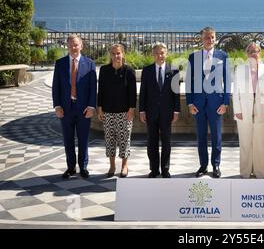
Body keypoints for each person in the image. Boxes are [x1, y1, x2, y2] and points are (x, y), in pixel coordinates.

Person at [186, 27, 230, 178]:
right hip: (198, 105)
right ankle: (203, 165)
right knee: (201, 136)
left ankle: (216, 165)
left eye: (212, 37)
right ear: (202, 39)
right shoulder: (193, 57)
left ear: (215, 38)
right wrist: (190, 103)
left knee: (216, 136)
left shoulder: (223, 56)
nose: (209, 40)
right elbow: (189, 82)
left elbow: (227, 80)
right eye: (206, 37)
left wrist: (225, 103)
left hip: (216, 104)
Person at [52, 34, 97, 179]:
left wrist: (91, 106)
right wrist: (57, 106)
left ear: (81, 46)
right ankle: (71, 168)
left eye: (76, 44)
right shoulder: (60, 63)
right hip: (66, 108)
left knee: (83, 139)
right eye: (71, 44)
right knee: (68, 140)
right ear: (67, 46)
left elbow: (92, 87)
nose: (73, 47)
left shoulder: (90, 63)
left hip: (83, 109)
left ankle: (83, 167)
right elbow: (56, 87)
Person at [233, 43, 264, 178]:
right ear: (246, 54)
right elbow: (235, 93)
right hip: (243, 111)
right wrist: (237, 110)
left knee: (259, 143)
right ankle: (245, 172)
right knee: (244, 143)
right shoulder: (240, 69)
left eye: (256, 51)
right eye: (250, 51)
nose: (253, 53)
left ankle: (260, 171)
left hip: (262, 111)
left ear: (260, 53)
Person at [140, 42, 180, 178]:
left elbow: (176, 93)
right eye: (157, 53)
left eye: (162, 53)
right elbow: (143, 92)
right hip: (151, 112)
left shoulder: (174, 71)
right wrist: (142, 111)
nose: (159, 56)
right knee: (152, 142)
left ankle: (165, 169)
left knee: (166, 141)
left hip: (167, 112)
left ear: (166, 54)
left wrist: (176, 111)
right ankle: (154, 169)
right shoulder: (147, 70)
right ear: (153, 54)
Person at [97, 44, 136, 178]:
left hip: (124, 112)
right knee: (109, 139)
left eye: (118, 53)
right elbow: (100, 90)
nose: (116, 56)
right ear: (110, 55)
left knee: (124, 139)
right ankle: (112, 165)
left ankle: (124, 165)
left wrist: (131, 110)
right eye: (113, 53)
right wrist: (100, 107)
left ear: (123, 54)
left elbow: (132, 92)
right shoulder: (104, 70)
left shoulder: (129, 71)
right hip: (108, 111)